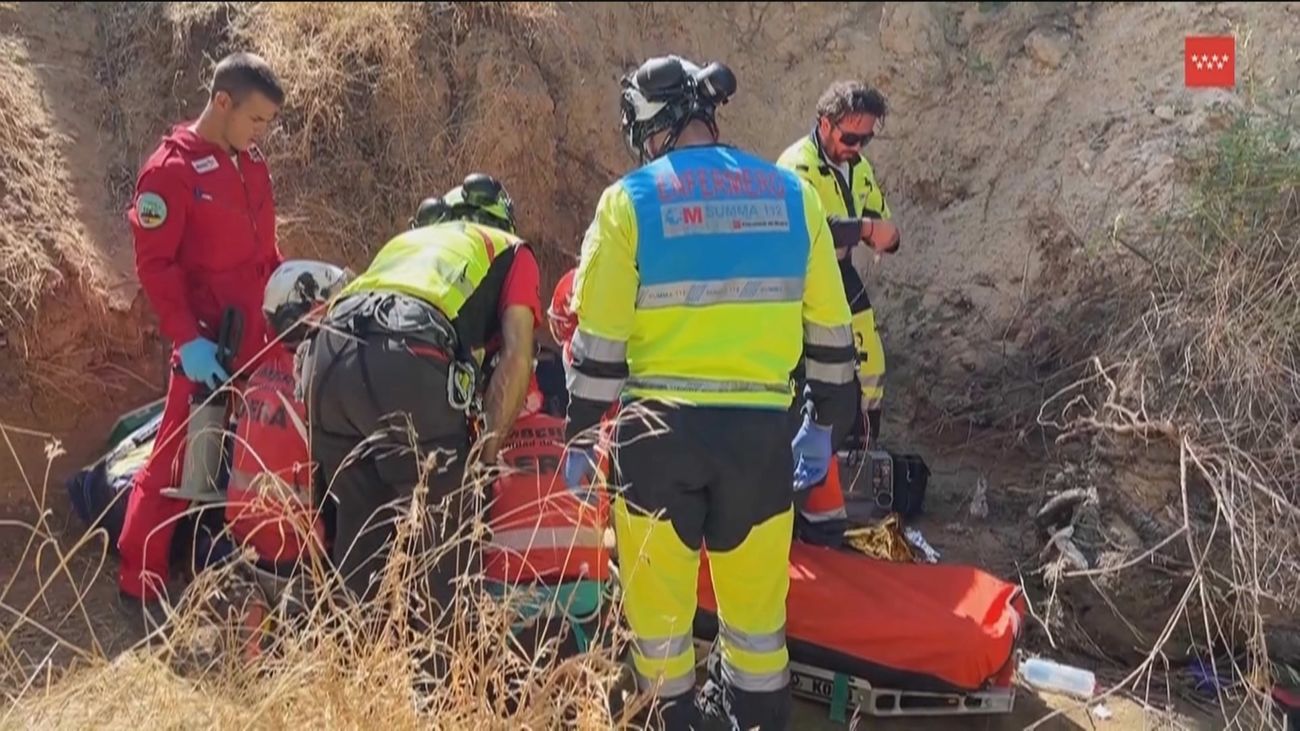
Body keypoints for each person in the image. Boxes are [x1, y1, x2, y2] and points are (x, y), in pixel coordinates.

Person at [563, 55, 858, 730]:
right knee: (758, 630)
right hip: (760, 443)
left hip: (656, 443)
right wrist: (822, 426)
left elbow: (600, 346)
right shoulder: (793, 196)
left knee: (661, 629)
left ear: (651, 130)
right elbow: (834, 341)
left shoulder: (630, 201)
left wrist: (580, 434)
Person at [301, 173, 541, 624]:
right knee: (446, 544)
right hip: (407, 349)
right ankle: (438, 688)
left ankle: (348, 676)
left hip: (327, 358)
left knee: (361, 532)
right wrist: (484, 456)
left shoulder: (408, 242)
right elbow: (516, 353)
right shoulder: (510, 248)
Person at [117, 51, 285, 626]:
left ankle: (242, 568)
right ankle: (140, 579)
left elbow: (265, 251)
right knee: (173, 462)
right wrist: (187, 341)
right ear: (222, 102)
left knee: (263, 455)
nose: (262, 132)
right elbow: (156, 268)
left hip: (260, 339)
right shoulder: (170, 171)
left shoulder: (251, 162)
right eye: (256, 119)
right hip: (207, 346)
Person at [776, 80, 900, 455]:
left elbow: (880, 220)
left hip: (842, 274)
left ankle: (860, 459)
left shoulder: (858, 167)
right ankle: (800, 453)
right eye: (850, 138)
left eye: (866, 140)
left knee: (871, 365)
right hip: (799, 279)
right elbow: (807, 230)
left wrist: (887, 236)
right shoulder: (795, 166)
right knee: (810, 369)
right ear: (825, 124)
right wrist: (864, 228)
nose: (857, 148)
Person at [224, 260, 352, 570]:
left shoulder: (258, 376)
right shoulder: (323, 384)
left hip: (243, 536)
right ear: (313, 315)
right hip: (299, 549)